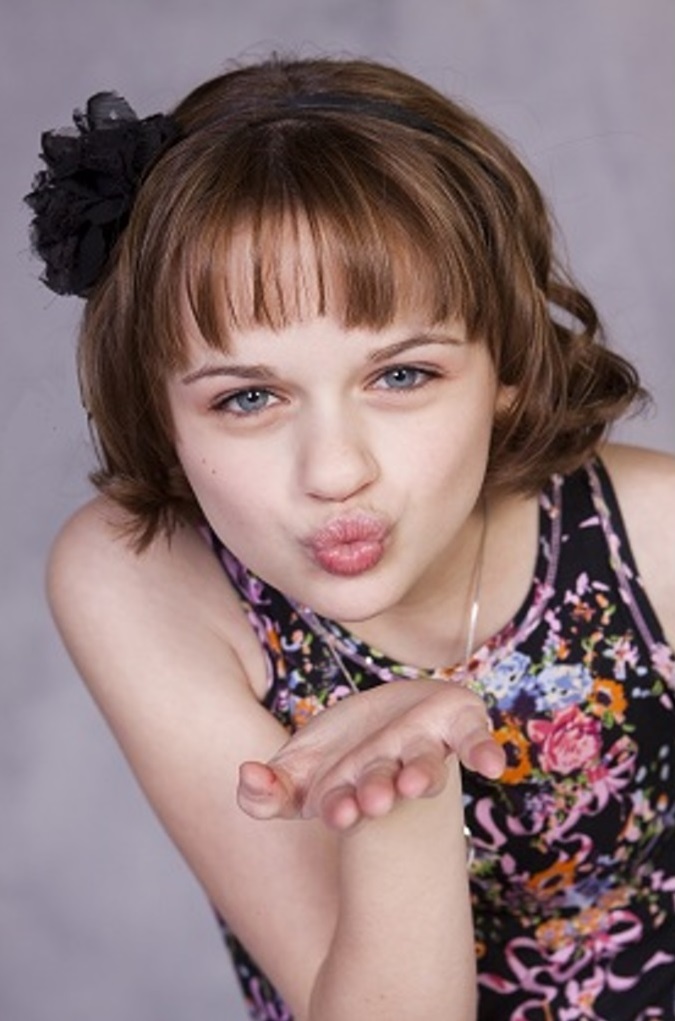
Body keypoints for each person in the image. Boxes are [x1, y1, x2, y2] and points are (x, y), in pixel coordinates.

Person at [26, 55, 675, 1021]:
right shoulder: (142, 581)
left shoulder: (656, 536)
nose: (333, 471)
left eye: (401, 376)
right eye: (249, 397)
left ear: (505, 364)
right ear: (159, 412)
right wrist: (401, 792)